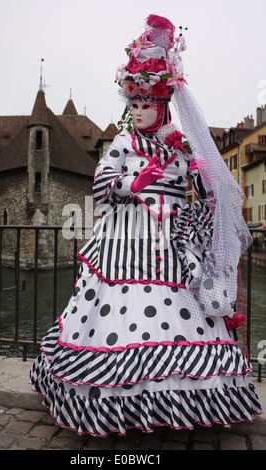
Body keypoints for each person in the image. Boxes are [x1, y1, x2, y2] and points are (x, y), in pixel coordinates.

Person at [29, 14, 261, 437]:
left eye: (145, 104)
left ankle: (176, 400)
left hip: (171, 242)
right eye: (132, 104)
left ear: (161, 105)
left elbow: (203, 187)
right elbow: (100, 184)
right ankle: (118, 404)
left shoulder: (181, 142)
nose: (137, 111)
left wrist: (206, 180)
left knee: (180, 319)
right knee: (118, 315)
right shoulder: (122, 142)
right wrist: (133, 182)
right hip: (123, 242)